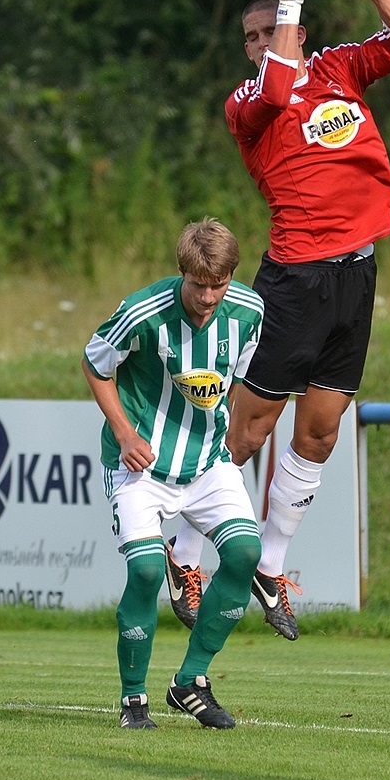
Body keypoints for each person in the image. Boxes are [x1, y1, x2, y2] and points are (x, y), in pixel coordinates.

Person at [167, 0, 390, 640]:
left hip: (357, 272)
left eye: (270, 30)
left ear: (303, 31)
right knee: (249, 430)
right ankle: (185, 554)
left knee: (319, 432)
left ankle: (269, 563)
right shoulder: (248, 103)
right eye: (250, 37)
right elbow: (278, 91)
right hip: (295, 277)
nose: (260, 44)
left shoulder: (339, 67)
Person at [82, 218, 264, 729]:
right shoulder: (143, 310)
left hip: (207, 462)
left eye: (219, 284)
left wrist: (242, 434)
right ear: (182, 271)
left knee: (246, 552)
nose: (208, 296)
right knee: (143, 571)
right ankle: (133, 699)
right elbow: (95, 364)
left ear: (231, 277)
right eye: (199, 284)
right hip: (140, 464)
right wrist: (123, 432)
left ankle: (190, 681)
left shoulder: (250, 310)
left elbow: (244, 381)